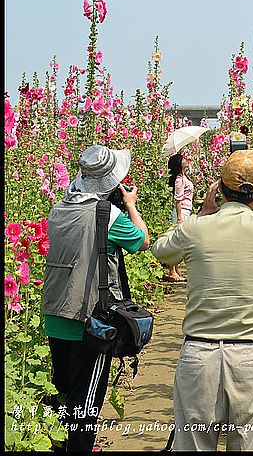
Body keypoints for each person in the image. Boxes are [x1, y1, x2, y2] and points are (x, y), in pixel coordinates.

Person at [151, 149, 253, 452]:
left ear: (219, 190)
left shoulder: (197, 228)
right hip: (251, 357)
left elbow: (161, 250)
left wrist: (202, 213)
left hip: (200, 355)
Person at [42, 145, 150, 452]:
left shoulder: (59, 208)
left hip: (55, 315)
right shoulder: (108, 214)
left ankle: (62, 445)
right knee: (86, 403)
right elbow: (142, 241)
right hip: (91, 323)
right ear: (112, 183)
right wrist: (130, 205)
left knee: (63, 395)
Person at [165, 153, 194, 282]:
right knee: (177, 242)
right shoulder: (179, 179)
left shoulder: (183, 178)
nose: (186, 160)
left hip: (185, 211)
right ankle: (172, 271)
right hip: (182, 212)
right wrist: (180, 218)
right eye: (183, 160)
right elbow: (178, 200)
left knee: (179, 241)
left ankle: (175, 270)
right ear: (179, 164)